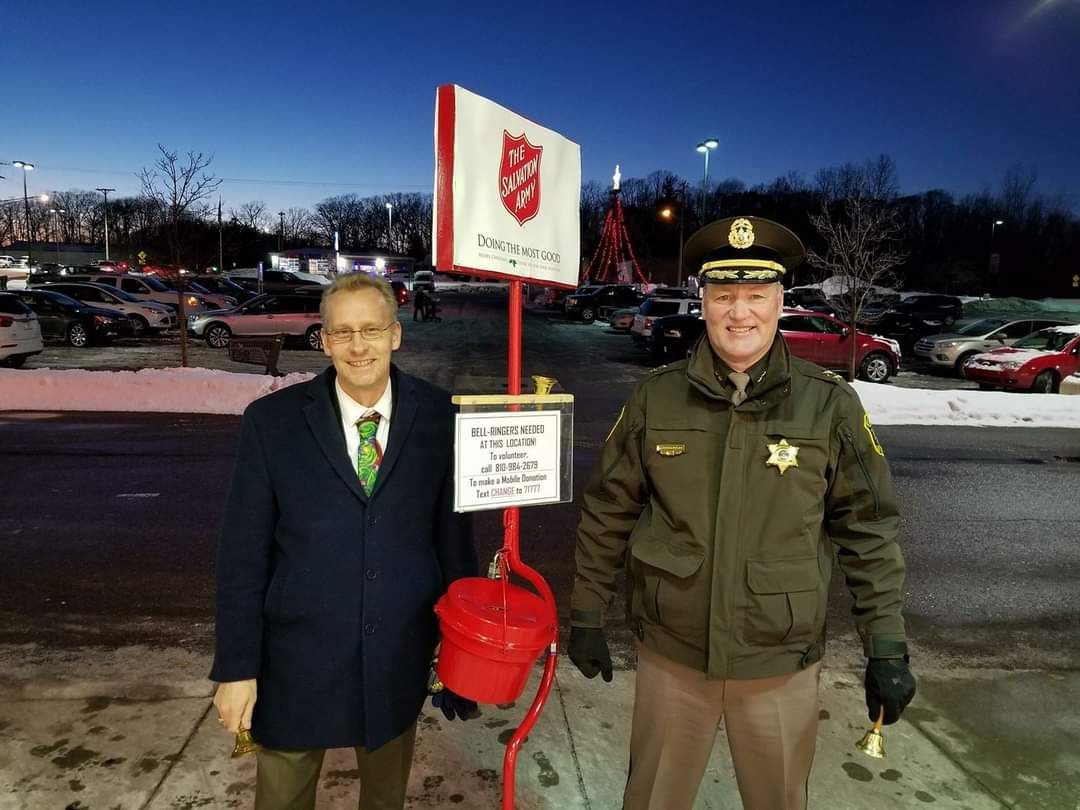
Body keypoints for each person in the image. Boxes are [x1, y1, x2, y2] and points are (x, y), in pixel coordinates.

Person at [568, 216, 916, 810]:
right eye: (724, 295)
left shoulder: (828, 405)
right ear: (702, 302)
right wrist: (586, 613)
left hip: (778, 661)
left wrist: (886, 645)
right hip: (673, 656)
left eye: (756, 295)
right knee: (651, 799)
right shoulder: (656, 397)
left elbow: (869, 529)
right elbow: (608, 509)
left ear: (780, 302)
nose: (739, 313)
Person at [211, 273, 479, 810]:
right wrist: (237, 668)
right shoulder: (272, 423)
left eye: (371, 330)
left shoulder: (441, 417)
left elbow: (454, 543)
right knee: (282, 796)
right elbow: (242, 554)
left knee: (384, 797)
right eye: (343, 332)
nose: (359, 346)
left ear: (395, 335)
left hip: (397, 653)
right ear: (325, 340)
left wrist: (461, 654)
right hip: (296, 657)